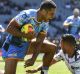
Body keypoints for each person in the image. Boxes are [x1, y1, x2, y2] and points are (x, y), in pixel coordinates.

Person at [2, 0, 57, 74]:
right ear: (43, 11)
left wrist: (33, 59)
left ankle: (44, 72)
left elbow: (39, 42)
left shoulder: (45, 22)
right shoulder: (27, 15)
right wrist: (25, 35)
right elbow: (9, 28)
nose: (53, 16)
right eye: (51, 14)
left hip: (28, 45)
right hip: (13, 45)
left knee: (52, 47)